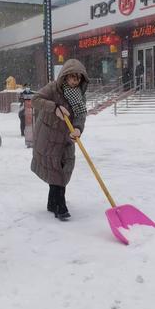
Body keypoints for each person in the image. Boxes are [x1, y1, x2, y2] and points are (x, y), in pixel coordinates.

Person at [31, 59, 89, 221]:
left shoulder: (79, 95)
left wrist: (78, 128)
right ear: (64, 77)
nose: (74, 81)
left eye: (77, 78)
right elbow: (36, 100)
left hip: (67, 138)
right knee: (55, 168)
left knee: (65, 167)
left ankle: (52, 202)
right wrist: (54, 107)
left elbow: (80, 115)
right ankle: (60, 205)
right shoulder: (53, 88)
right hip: (49, 135)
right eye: (71, 77)